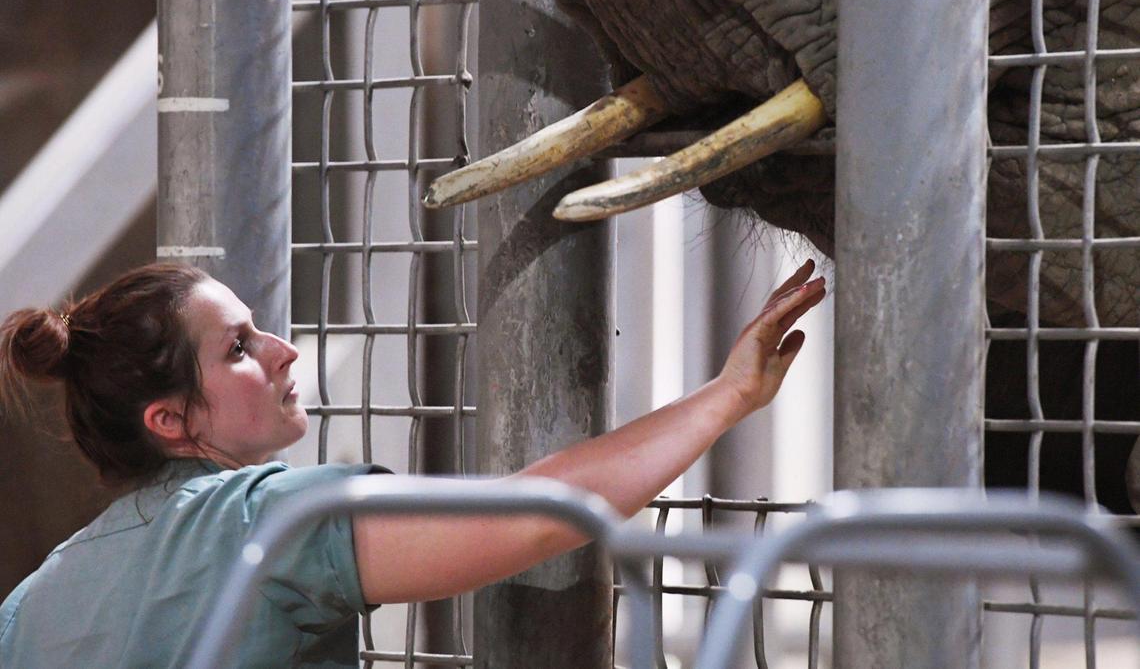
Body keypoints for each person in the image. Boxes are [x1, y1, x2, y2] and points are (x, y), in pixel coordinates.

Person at [0, 259, 826, 667]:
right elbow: (542, 513)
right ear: (171, 420)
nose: (285, 352)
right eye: (241, 349)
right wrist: (726, 397)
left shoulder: (33, 600)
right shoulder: (268, 520)